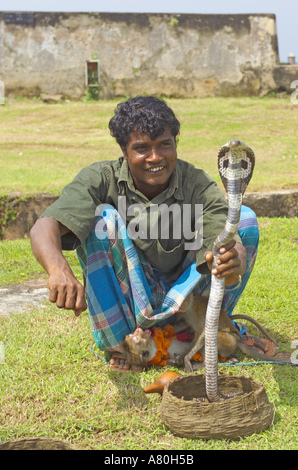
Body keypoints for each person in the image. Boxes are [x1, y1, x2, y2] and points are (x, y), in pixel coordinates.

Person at [30, 96, 259, 372]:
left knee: (244, 219)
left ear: (176, 143)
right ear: (124, 151)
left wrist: (235, 258)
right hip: (134, 300)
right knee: (103, 219)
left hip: (186, 300)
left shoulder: (194, 181)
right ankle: (122, 347)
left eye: (165, 144)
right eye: (142, 148)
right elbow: (45, 225)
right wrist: (57, 269)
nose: (155, 158)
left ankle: (198, 333)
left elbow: (226, 235)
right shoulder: (102, 177)